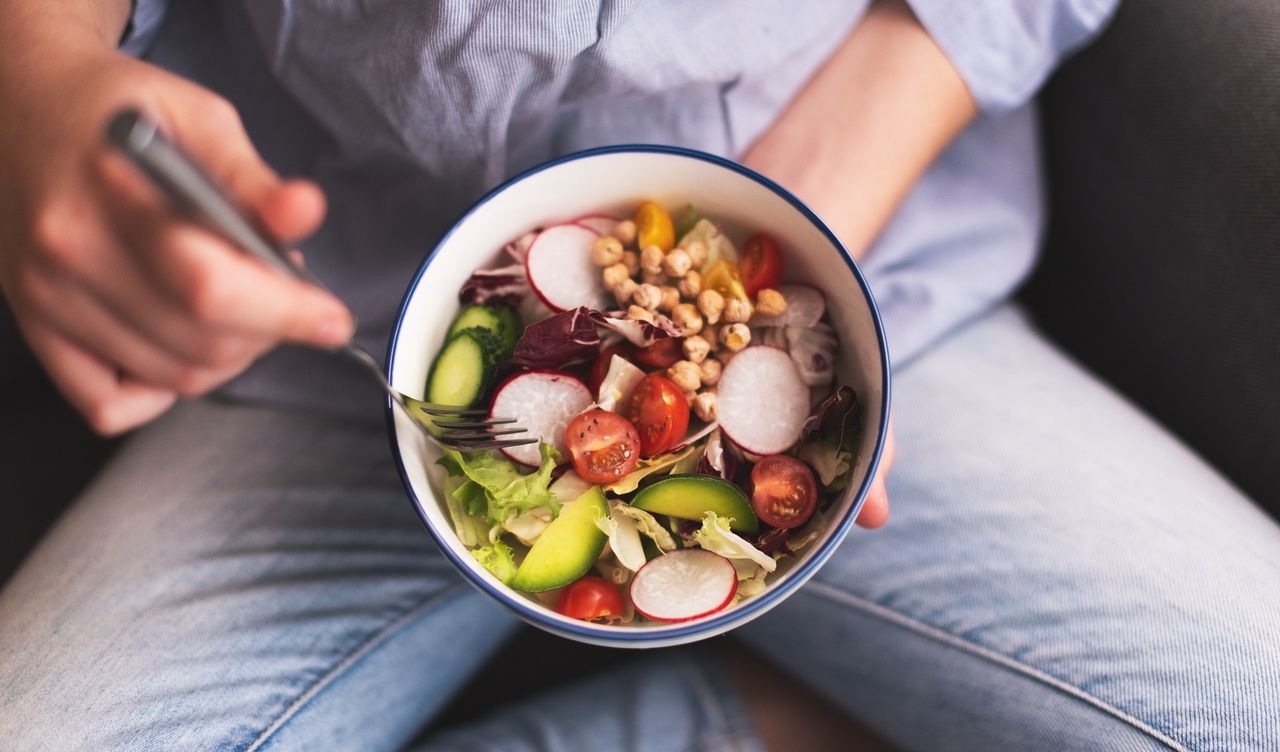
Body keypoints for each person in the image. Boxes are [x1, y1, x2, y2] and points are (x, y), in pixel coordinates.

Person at [1, 0, 1277, 750]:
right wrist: (35, 74)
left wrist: (794, 258)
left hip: (874, 275)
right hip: (329, 316)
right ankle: (749, 726)